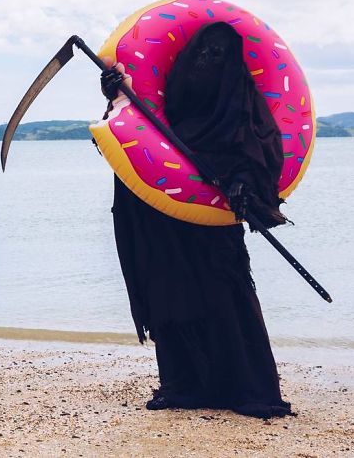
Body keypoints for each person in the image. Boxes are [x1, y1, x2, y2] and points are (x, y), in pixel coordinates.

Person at [100, 21, 293, 419]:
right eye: (201, 54)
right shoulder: (165, 108)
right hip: (160, 220)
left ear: (233, 64)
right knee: (169, 294)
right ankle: (183, 385)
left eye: (217, 56)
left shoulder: (241, 105)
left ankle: (245, 388)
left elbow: (262, 150)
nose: (207, 62)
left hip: (211, 223)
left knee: (225, 298)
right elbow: (125, 143)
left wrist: (242, 184)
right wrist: (116, 96)